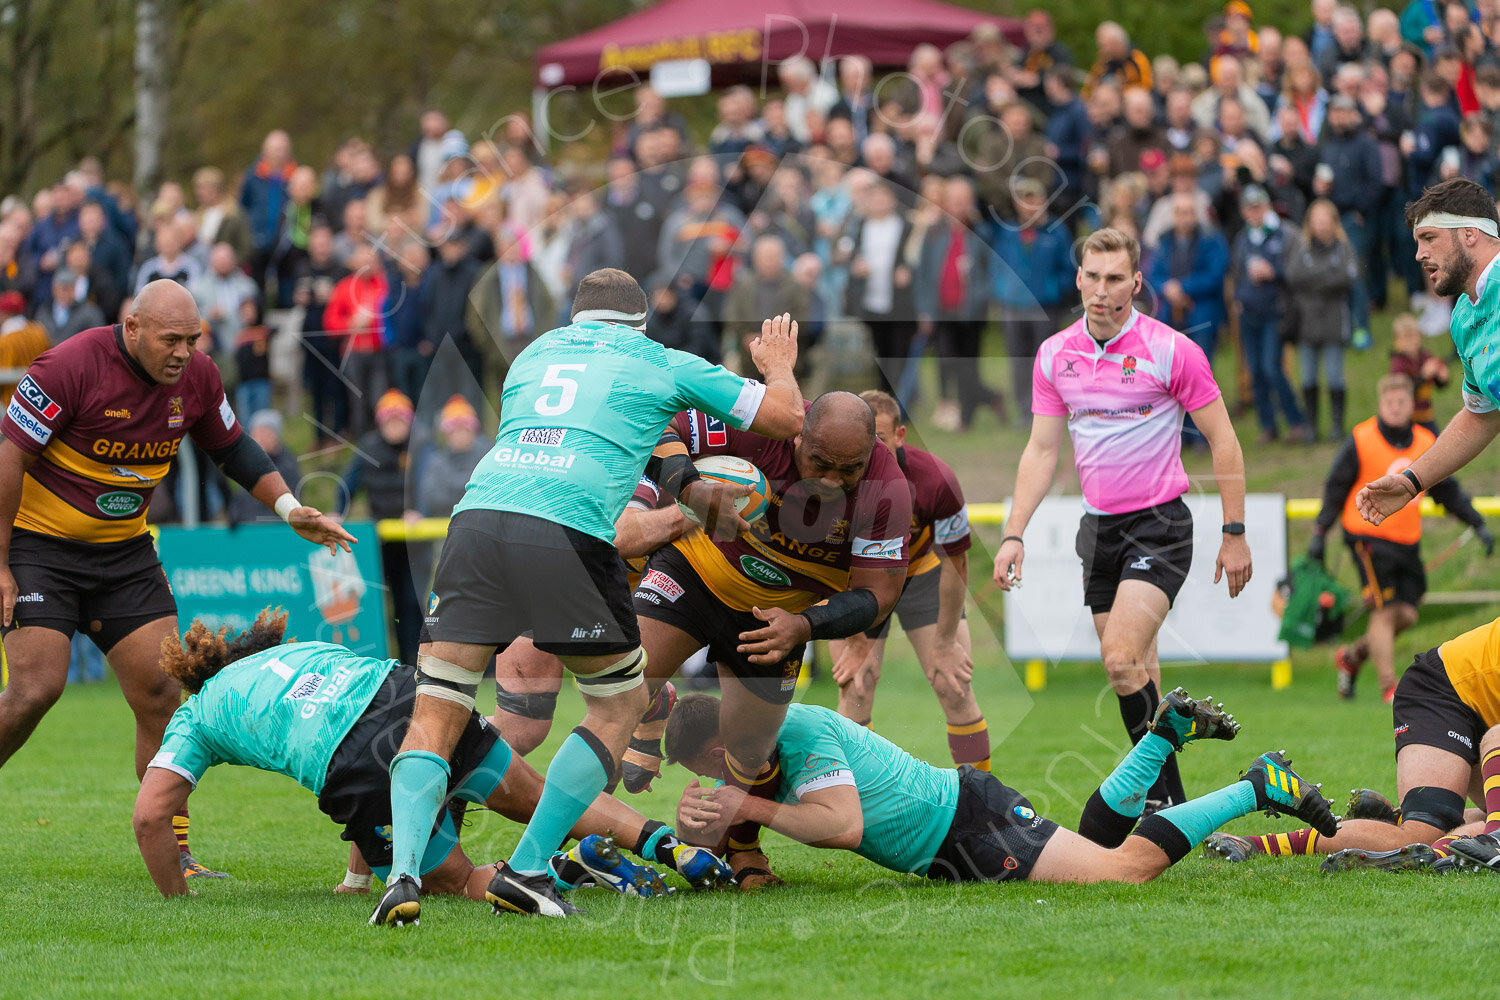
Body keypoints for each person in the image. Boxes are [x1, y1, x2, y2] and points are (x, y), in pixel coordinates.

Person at [370, 270, 804, 927]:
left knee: (437, 708)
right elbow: (786, 419)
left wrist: (684, 482)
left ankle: (401, 874)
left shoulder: (532, 354)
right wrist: (779, 365)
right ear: (638, 325)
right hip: (567, 531)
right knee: (618, 703)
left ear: (576, 319)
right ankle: (527, 868)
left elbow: (611, 428)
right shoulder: (659, 360)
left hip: (476, 520)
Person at [0, 280, 353, 877]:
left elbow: (234, 448)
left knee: (164, 696)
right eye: (171, 339)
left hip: (126, 554)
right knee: (37, 689)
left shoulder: (199, 378)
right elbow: (8, 455)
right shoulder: (69, 365)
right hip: (41, 548)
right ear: (132, 327)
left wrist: (291, 509)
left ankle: (176, 852)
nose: (183, 352)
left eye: (193, 339)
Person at [132, 609, 731, 904]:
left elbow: (150, 816)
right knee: (540, 795)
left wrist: (177, 904)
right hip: (412, 699)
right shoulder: (304, 649)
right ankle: (667, 845)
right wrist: (352, 877)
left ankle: (566, 871)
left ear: (200, 677)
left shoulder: (197, 713)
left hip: (352, 760)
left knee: (459, 879)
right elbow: (359, 711)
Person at [992, 228, 1253, 816]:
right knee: (1139, 670)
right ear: (1079, 278)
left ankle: (1159, 796)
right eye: (1093, 277)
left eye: (1116, 279)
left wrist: (1234, 533)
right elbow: (1040, 451)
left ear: (1136, 283)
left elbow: (1224, 441)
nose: (1103, 291)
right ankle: (1176, 808)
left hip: (1160, 525)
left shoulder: (1172, 350)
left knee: (1118, 659)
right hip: (1099, 531)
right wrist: (1014, 534)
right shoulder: (1055, 354)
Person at [620, 392, 913, 888]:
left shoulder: (888, 489)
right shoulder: (760, 423)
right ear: (798, 434)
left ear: (871, 452)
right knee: (620, 692)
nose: (831, 480)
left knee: (750, 743)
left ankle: (742, 845)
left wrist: (804, 626)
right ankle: (561, 839)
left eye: (849, 469)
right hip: (696, 570)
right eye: (819, 462)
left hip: (782, 612)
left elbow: (878, 594)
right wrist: (689, 487)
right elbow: (658, 421)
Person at [665, 688, 1338, 885]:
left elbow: (840, 825)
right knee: (1097, 839)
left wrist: (742, 805)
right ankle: (1161, 739)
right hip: (962, 818)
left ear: (722, 743)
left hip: (965, 830)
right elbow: (743, 834)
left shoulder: (800, 731)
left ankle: (1256, 785)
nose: (716, 779)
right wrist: (705, 825)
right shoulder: (758, 748)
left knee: (1123, 871)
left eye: (707, 769)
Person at [1207, 615, 1500, 869]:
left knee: (1483, 817)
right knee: (1421, 832)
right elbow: (1495, 738)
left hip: (1477, 704)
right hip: (1441, 692)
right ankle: (1255, 844)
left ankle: (1412, 834)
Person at [1308, 374, 1491, 703]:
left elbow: (1446, 490)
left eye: (1401, 402)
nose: (1394, 407)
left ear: (1411, 405)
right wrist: (1321, 531)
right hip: (1367, 536)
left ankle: (1352, 655)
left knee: (1405, 614)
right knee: (1383, 609)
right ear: (1380, 404)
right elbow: (1335, 488)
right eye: (1389, 402)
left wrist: (1475, 522)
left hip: (1407, 540)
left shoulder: (1426, 440)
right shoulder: (1361, 438)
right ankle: (1389, 687)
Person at [830, 390, 985, 767]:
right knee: (857, 687)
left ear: (900, 435)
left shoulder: (935, 479)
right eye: (861, 439)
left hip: (922, 573)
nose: (868, 449)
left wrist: (946, 643)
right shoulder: (834, 481)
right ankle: (856, 805)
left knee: (954, 685)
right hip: (857, 580)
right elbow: (829, 566)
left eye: (878, 437)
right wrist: (854, 640)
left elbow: (956, 565)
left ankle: (981, 801)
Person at [1358, 179, 1500, 528]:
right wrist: (1411, 481)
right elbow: (1481, 416)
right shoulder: (1465, 319)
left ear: (1470, 234)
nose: (1419, 254)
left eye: (1429, 238)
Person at [1231, 184, 1310, 443]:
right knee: (1255, 370)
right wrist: (1238, 299)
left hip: (1275, 310)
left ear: (1267, 206)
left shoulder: (1285, 234)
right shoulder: (1243, 238)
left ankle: (1296, 420)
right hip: (1249, 311)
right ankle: (1268, 425)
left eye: (1259, 206)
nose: (1255, 212)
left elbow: (1297, 271)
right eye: (1250, 208)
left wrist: (1272, 273)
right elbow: (1238, 273)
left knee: (1271, 367)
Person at [1284, 199, 1358, 441]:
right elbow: (1293, 275)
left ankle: (1337, 426)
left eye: (1326, 220)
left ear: (1334, 222)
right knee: (1308, 377)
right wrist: (1327, 277)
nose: (1322, 226)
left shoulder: (1343, 248)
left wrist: (1314, 280)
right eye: (1317, 221)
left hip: (1334, 321)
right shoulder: (1301, 247)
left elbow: (1347, 278)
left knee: (1335, 375)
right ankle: (1312, 427)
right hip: (1306, 322)